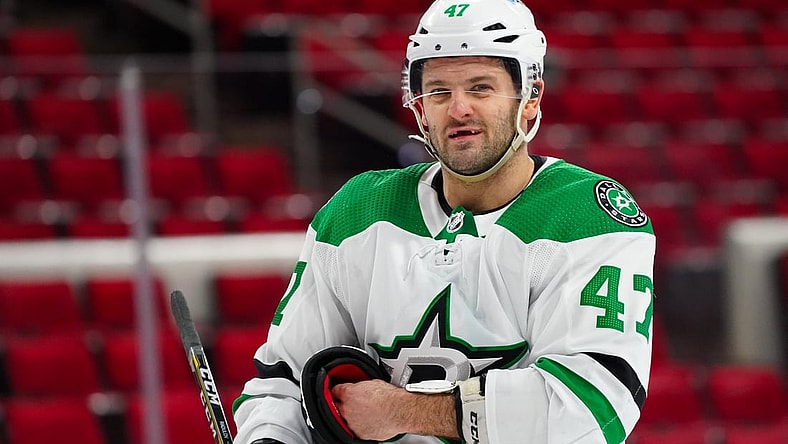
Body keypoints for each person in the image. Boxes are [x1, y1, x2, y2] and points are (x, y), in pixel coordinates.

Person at [233, 0, 656, 442]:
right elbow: (281, 382)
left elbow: (591, 407)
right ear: (419, 107)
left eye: (480, 88)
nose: (458, 109)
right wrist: (268, 436)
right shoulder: (357, 211)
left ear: (530, 99)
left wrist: (402, 411)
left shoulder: (589, 216)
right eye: (438, 92)